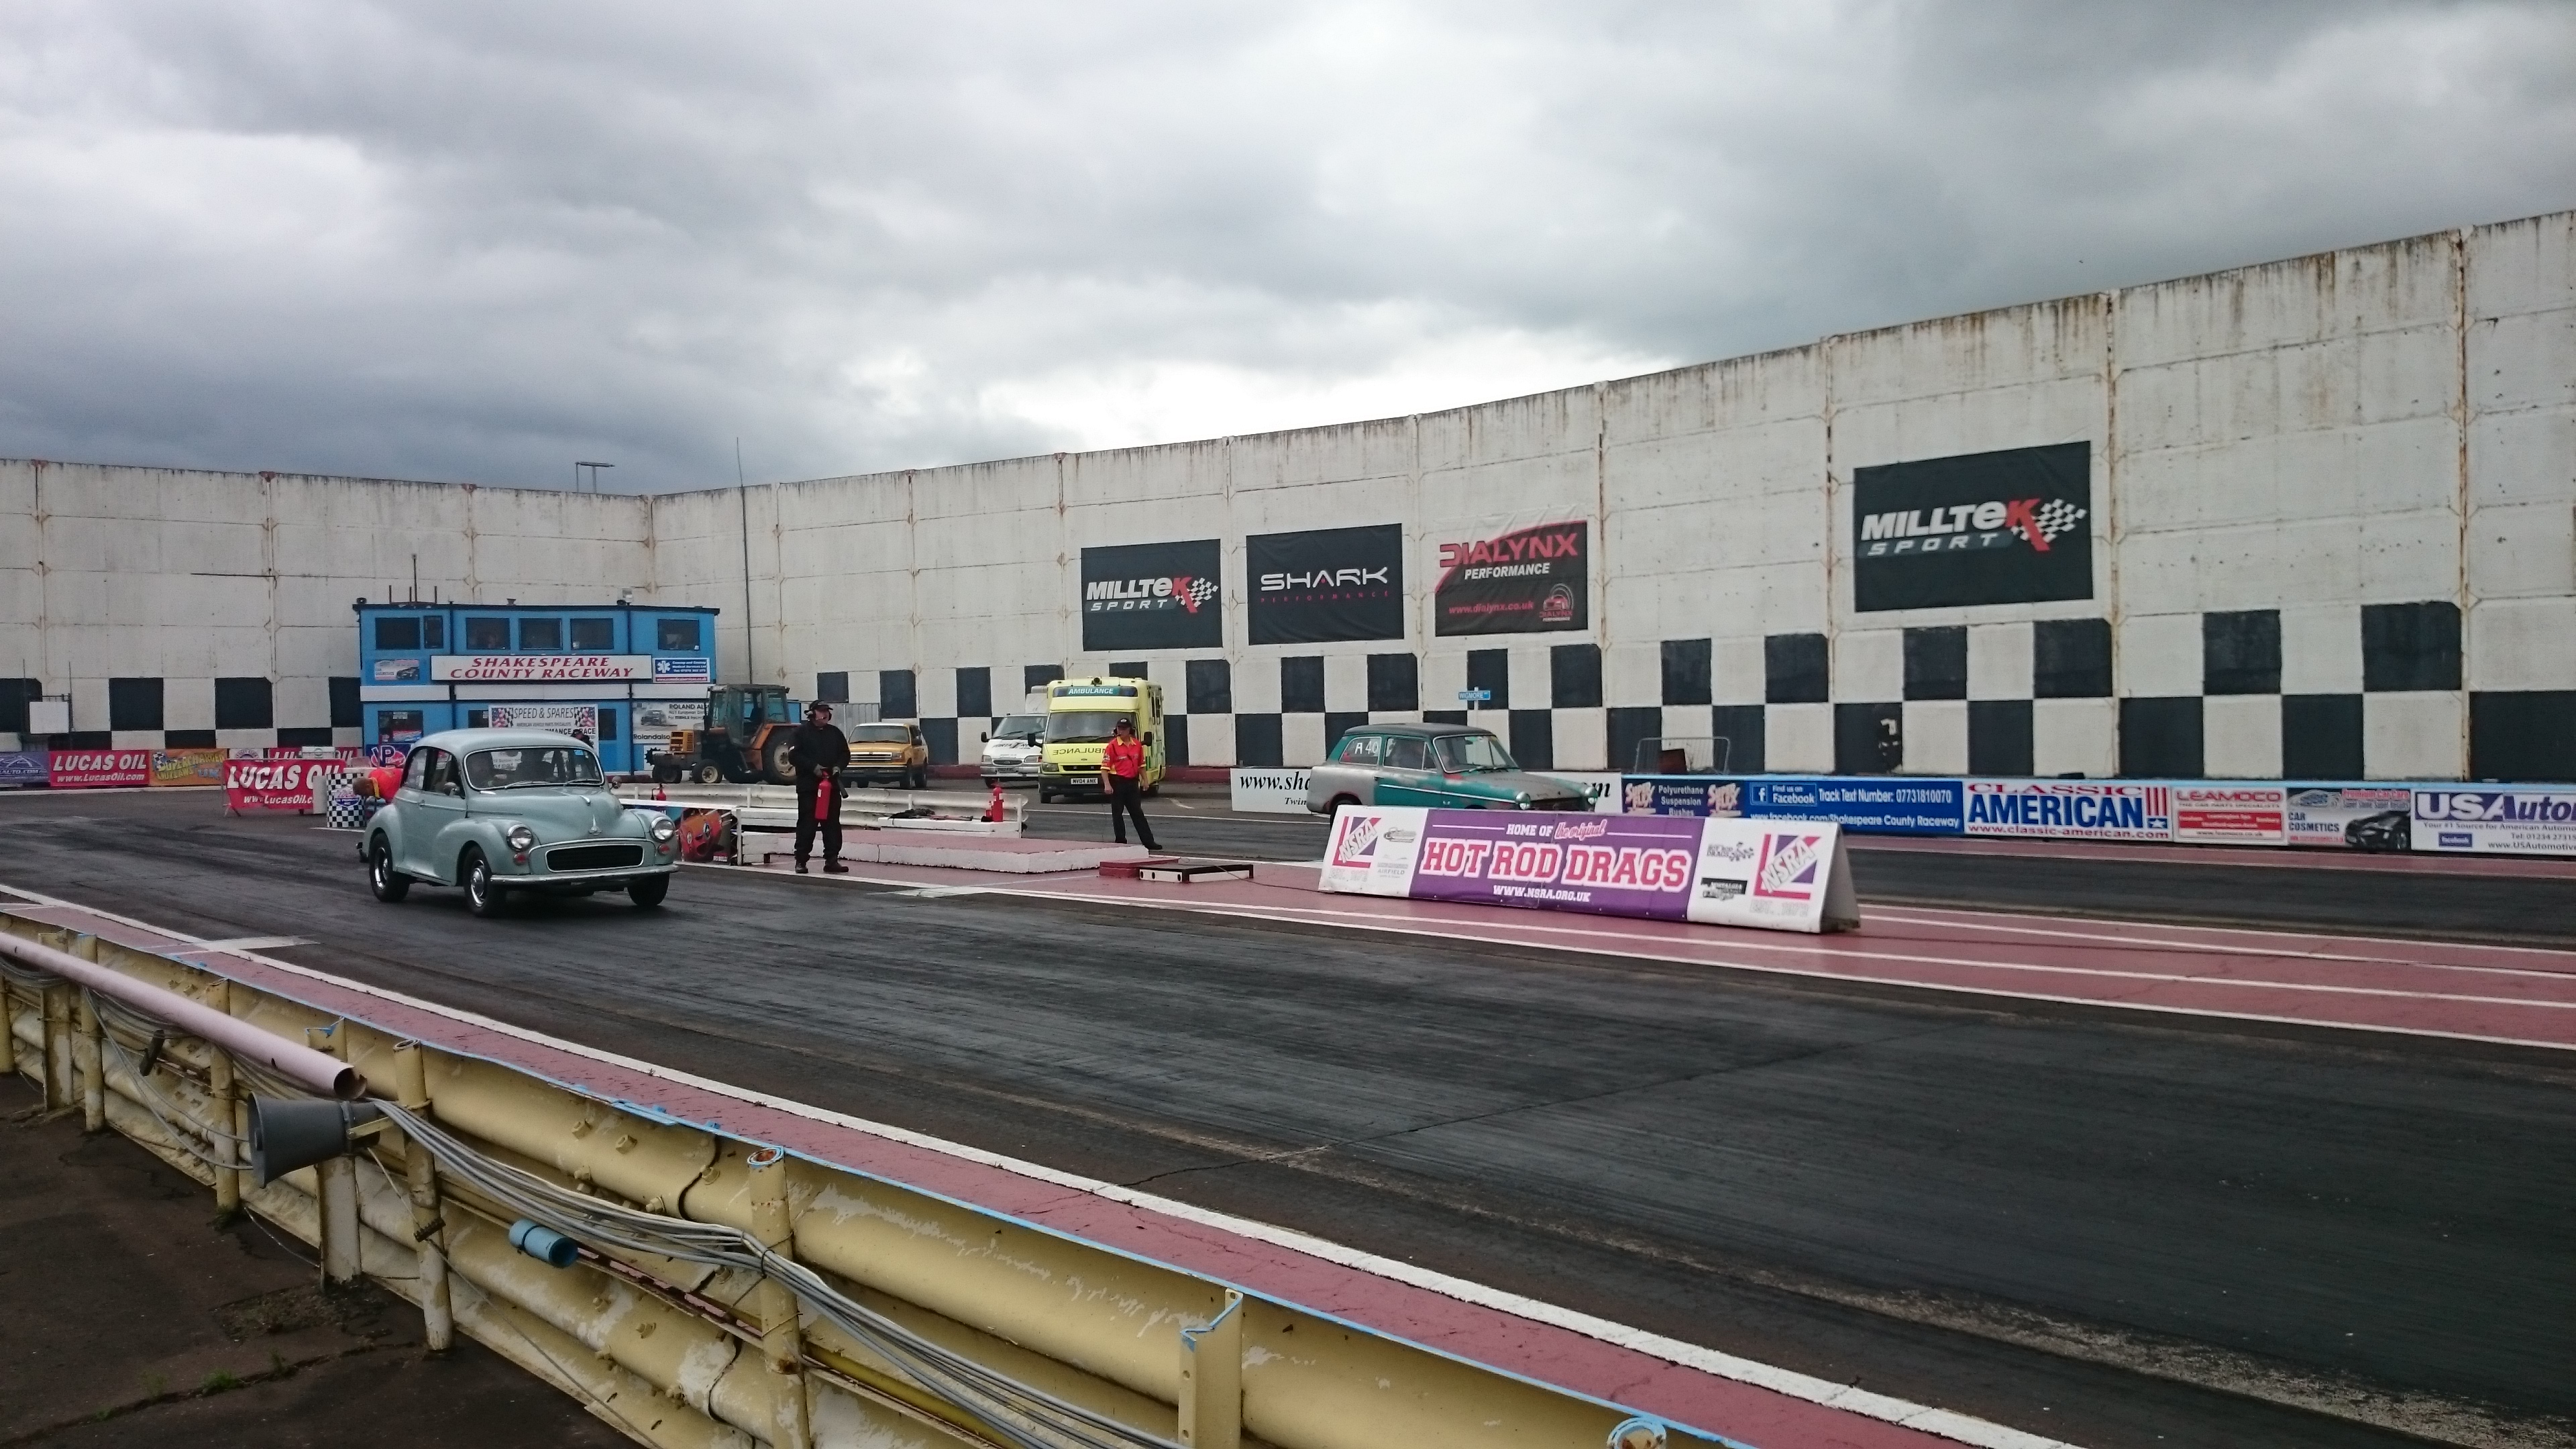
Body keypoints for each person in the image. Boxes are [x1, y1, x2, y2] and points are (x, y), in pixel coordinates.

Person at [789, 702, 851, 874]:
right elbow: (793, 755)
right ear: (812, 714)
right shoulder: (800, 733)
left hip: (832, 786)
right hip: (809, 788)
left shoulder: (835, 733)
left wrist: (838, 767)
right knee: (807, 824)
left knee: (832, 824)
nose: (825, 715)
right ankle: (801, 860)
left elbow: (845, 753)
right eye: (821, 711)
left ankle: (832, 860)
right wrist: (813, 767)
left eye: (826, 712)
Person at [1102, 716, 1159, 853]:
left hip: (1132, 783)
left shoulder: (1137, 745)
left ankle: (1149, 842)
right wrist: (1107, 785)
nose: (1121, 731)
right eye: (1119, 728)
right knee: (1117, 814)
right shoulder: (1112, 746)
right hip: (1118, 782)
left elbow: (1141, 766)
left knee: (1137, 813)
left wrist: (1146, 781)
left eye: (1124, 729)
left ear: (1129, 730)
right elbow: (1104, 768)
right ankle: (1120, 841)